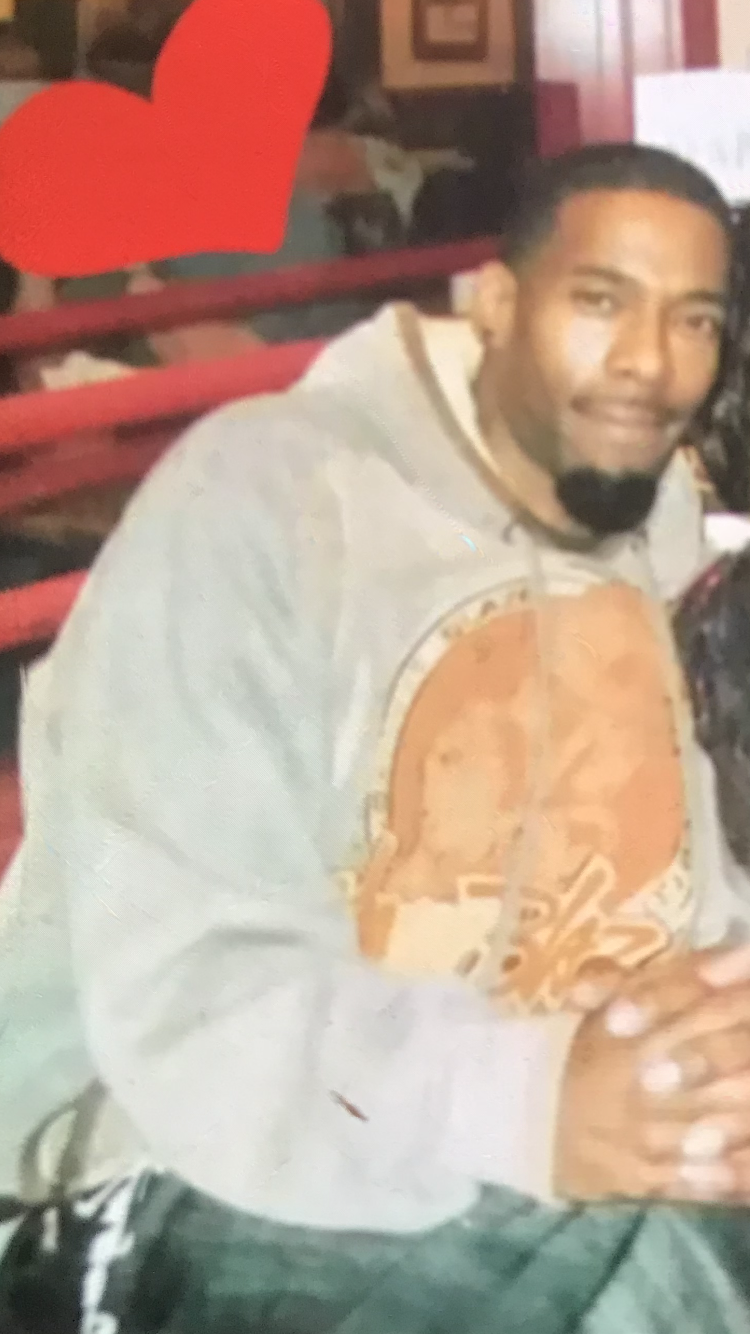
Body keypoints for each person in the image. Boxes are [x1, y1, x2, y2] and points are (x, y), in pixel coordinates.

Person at [2, 143, 750, 1332]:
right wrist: (530, 1099)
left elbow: (685, 900)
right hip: (173, 1163)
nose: (650, 361)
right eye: (602, 300)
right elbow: (198, 991)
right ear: (495, 304)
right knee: (650, 1287)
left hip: (510, 1133)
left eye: (693, 320)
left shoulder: (642, 533)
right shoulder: (257, 502)